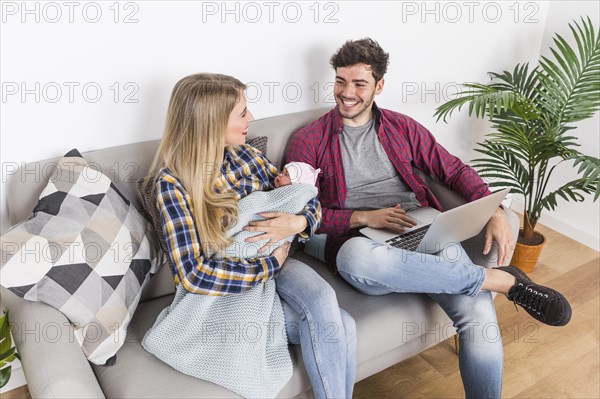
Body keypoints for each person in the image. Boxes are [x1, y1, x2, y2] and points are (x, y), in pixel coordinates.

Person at [286, 38, 572, 399]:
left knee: (479, 317)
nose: (347, 93)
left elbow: (451, 169)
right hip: (360, 244)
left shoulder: (401, 127)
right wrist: (362, 216)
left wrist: (496, 208)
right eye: (341, 81)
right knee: (357, 258)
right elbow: (296, 212)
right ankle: (499, 280)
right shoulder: (310, 139)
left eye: (359, 83)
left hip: (422, 229)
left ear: (379, 86)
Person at [141, 73, 356, 399]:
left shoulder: (247, 157)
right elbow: (194, 274)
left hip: (279, 260)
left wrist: (298, 224)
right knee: (343, 325)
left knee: (328, 304)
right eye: (242, 112)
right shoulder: (172, 185)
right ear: (211, 122)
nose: (251, 118)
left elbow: (305, 198)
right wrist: (267, 265)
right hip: (233, 284)